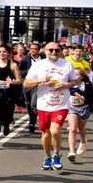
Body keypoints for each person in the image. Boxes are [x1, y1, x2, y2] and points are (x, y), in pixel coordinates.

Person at [24, 41, 77, 171]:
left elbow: (75, 81)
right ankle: (47, 156)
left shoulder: (67, 64)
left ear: (60, 51)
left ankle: (56, 155)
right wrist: (41, 80)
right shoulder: (38, 65)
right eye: (50, 50)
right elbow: (26, 83)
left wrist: (65, 85)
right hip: (43, 104)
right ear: (45, 51)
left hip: (61, 104)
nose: (54, 52)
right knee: (46, 133)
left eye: (56, 50)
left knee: (55, 130)